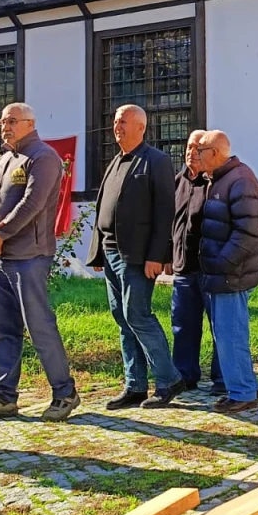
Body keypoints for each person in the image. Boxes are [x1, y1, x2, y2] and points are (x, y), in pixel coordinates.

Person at [0, 103, 79, 423]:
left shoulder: (43, 158)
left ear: (30, 124)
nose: (4, 126)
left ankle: (64, 393)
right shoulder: (3, 160)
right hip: (0, 258)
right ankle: (4, 397)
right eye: (2, 121)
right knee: (3, 329)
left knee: (39, 326)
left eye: (12, 121)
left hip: (30, 257)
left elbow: (33, 204)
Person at [88, 105, 183, 409]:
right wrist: (97, 252)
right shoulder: (115, 162)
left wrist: (158, 255)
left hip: (138, 256)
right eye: (115, 121)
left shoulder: (156, 161)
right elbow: (103, 208)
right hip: (111, 251)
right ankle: (135, 385)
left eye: (124, 122)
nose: (117, 126)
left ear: (141, 127)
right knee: (122, 318)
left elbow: (165, 212)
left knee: (137, 315)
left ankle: (168, 380)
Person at [193, 130, 258, 413]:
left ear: (214, 152)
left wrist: (221, 263)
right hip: (222, 273)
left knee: (231, 334)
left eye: (200, 151)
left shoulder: (239, 180)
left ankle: (242, 392)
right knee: (228, 334)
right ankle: (245, 385)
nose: (196, 156)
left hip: (231, 274)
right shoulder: (220, 179)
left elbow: (247, 233)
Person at [169, 130, 221, 392]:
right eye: (188, 146)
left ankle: (221, 378)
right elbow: (170, 222)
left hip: (209, 268)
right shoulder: (177, 181)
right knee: (183, 325)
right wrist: (168, 255)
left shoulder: (213, 183)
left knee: (218, 326)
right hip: (183, 266)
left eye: (197, 148)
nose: (191, 152)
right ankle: (185, 375)